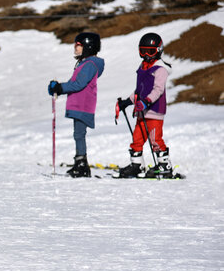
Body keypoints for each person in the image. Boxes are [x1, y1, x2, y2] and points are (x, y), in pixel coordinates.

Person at [116, 32, 173, 178]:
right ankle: (137, 165)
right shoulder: (143, 67)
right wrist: (127, 102)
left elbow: (158, 90)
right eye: (143, 51)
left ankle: (164, 165)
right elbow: (139, 91)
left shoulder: (160, 69)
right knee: (137, 139)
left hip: (154, 111)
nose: (147, 55)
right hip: (141, 111)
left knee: (155, 139)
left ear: (158, 51)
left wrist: (146, 101)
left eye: (151, 51)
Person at [47, 32, 105, 177]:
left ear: (88, 46)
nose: (75, 47)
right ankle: (80, 162)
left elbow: (78, 84)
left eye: (78, 45)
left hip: (83, 104)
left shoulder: (90, 65)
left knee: (79, 134)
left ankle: (81, 164)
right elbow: (76, 83)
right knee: (78, 134)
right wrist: (59, 88)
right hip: (80, 103)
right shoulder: (85, 63)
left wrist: (60, 88)